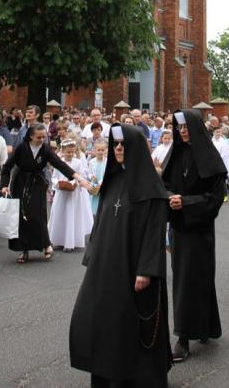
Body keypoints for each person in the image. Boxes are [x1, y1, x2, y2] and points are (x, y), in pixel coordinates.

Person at [70, 124, 172, 387]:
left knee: (134, 326)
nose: (117, 148)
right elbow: (101, 220)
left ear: (134, 147)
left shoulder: (151, 187)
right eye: (114, 144)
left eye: (122, 144)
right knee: (104, 321)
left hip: (134, 269)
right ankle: (105, 372)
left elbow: (154, 232)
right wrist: (92, 254)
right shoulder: (113, 180)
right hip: (106, 267)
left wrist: (146, 270)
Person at [162, 109, 227, 363]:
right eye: (178, 128)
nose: (182, 131)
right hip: (179, 228)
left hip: (199, 229)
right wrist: (169, 198)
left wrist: (186, 202)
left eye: (185, 127)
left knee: (199, 278)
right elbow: (164, 186)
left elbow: (214, 199)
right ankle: (189, 334)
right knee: (184, 281)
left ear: (195, 127)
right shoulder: (175, 153)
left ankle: (190, 334)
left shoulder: (209, 157)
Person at [0, 123, 91, 263]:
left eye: (44, 137)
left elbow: (60, 164)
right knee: (21, 216)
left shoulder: (46, 149)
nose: (41, 139)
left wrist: (78, 178)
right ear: (30, 136)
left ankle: (46, 244)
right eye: (38, 137)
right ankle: (23, 251)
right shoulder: (21, 148)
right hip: (21, 183)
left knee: (37, 214)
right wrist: (4, 185)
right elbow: (7, 167)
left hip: (37, 183)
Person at [48, 140, 93, 251]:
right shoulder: (59, 162)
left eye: (72, 152)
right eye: (68, 152)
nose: (70, 154)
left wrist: (75, 183)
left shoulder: (77, 162)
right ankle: (58, 239)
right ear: (63, 151)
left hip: (73, 194)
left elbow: (81, 176)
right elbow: (54, 177)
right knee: (60, 214)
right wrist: (57, 183)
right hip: (62, 193)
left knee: (71, 214)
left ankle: (70, 241)